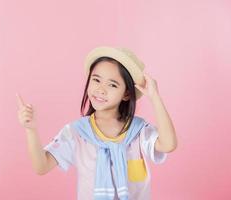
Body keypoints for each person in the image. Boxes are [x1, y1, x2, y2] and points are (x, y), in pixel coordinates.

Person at [16, 46, 178, 200]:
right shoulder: (77, 132)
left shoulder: (139, 131)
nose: (101, 89)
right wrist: (31, 130)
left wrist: (155, 97)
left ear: (126, 94)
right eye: (96, 80)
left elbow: (168, 144)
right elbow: (41, 166)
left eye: (112, 84)